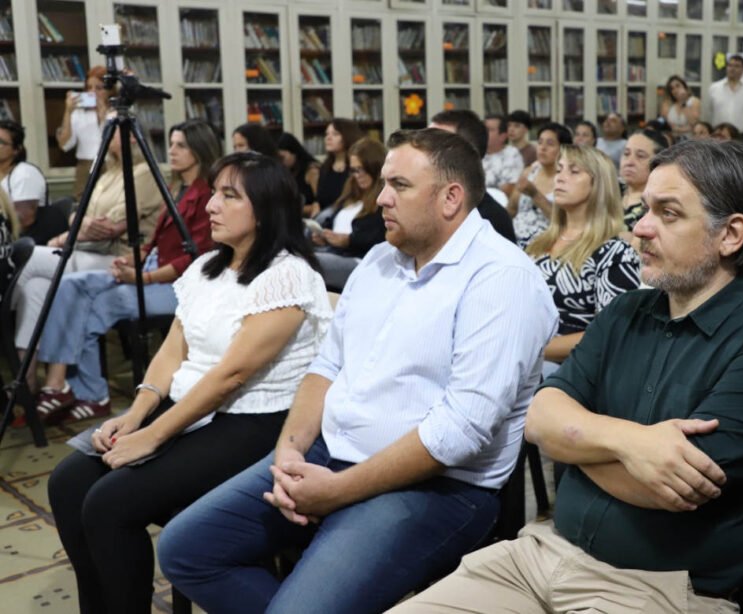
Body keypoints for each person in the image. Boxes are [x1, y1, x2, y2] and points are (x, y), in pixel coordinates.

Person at [390, 139, 743, 614]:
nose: (642, 228)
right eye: (646, 209)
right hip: (541, 554)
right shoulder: (627, 311)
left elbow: (669, 486)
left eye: (668, 214)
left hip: (653, 588)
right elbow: (540, 419)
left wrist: (577, 445)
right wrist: (632, 443)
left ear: (731, 234)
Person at [158, 128, 558, 614]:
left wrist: (336, 492)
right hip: (331, 450)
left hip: (437, 486)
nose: (382, 198)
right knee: (185, 550)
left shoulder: (501, 278)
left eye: (399, 185)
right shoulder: (381, 259)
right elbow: (327, 365)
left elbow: (459, 433)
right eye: (385, 183)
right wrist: (289, 450)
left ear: (451, 198)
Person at [47, 151, 331, 614]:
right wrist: (136, 414)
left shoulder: (287, 276)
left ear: (265, 209)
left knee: (109, 505)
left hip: (251, 421)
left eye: (229, 196)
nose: (211, 205)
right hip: (189, 407)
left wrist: (153, 436)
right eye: (214, 192)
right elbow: (172, 351)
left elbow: (231, 376)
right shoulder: (206, 267)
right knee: (67, 483)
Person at [33, 119, 222, 422]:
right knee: (70, 284)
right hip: (152, 270)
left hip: (180, 285)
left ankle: (91, 393)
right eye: (171, 144)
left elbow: (194, 259)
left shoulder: (206, 194)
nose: (172, 151)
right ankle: (63, 384)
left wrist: (143, 277)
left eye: (181, 146)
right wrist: (133, 261)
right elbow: (154, 241)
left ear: (200, 150)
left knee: (94, 308)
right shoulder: (176, 187)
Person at [13, 121, 171, 377]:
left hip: (121, 259)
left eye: (112, 128)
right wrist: (80, 223)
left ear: (132, 137)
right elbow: (79, 213)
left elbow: (110, 227)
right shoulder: (107, 174)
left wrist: (65, 236)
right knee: (34, 287)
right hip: (89, 251)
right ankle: (27, 381)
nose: (104, 132)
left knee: (27, 258)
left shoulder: (143, 173)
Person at [525, 145, 640, 372]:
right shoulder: (532, 242)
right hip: (517, 353)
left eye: (574, 171)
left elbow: (610, 333)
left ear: (598, 184)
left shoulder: (614, 255)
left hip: (567, 369)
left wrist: (531, 349)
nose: (560, 177)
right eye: (559, 170)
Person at [310, 137, 387, 292]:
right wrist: (324, 236)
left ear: (375, 167)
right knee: (293, 256)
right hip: (334, 251)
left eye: (362, 169)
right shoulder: (350, 192)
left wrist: (348, 241)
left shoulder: (383, 198)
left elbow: (380, 237)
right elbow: (331, 220)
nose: (358, 175)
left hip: (360, 260)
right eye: (354, 170)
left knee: (309, 262)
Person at [430, 110, 517, 243]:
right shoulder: (419, 202)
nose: (422, 152)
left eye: (434, 145)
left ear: (466, 155)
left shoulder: (490, 220)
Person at [509, 122, 572, 246]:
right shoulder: (529, 172)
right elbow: (511, 209)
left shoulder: (567, 179)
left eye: (550, 144)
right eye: (540, 142)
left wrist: (535, 195)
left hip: (546, 243)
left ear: (563, 149)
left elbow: (564, 222)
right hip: (514, 239)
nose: (543, 148)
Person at [56, 65, 110, 198]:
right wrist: (68, 112)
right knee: (82, 203)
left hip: (111, 165)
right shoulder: (79, 113)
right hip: (86, 166)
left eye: (99, 88)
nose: (93, 92)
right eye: (89, 87)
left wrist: (104, 116)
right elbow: (65, 145)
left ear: (109, 90)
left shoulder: (116, 112)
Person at [0, 120, 53, 243]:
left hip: (24, 243)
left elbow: (24, 219)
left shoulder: (25, 173)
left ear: (16, 149)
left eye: (0, 142)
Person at [620, 129, 670, 231]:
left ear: (658, 163)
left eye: (640, 156)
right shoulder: (609, 191)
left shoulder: (661, 205)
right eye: (626, 153)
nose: (629, 162)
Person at [704, 54, 743, 135]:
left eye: (736, 66)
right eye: (730, 65)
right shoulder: (714, 88)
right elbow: (708, 114)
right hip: (720, 136)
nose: (732, 69)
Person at [317, 118, 364, 212]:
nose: (328, 138)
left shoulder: (357, 167)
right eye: (327, 134)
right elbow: (320, 200)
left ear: (348, 136)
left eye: (335, 134)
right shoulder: (325, 167)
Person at [277, 132, 320, 218]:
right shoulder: (286, 172)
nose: (281, 162)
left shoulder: (311, 171)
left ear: (294, 153)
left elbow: (319, 203)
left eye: (283, 158)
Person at [482, 114, 524, 197]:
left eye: (489, 130)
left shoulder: (512, 155)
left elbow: (509, 189)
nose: (483, 133)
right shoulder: (475, 153)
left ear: (503, 136)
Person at [659, 75, 701, 140]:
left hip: (690, 140)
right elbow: (666, 125)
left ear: (684, 87)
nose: (675, 90)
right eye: (672, 88)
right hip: (673, 140)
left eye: (678, 86)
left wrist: (683, 101)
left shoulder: (694, 101)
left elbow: (694, 123)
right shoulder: (668, 104)